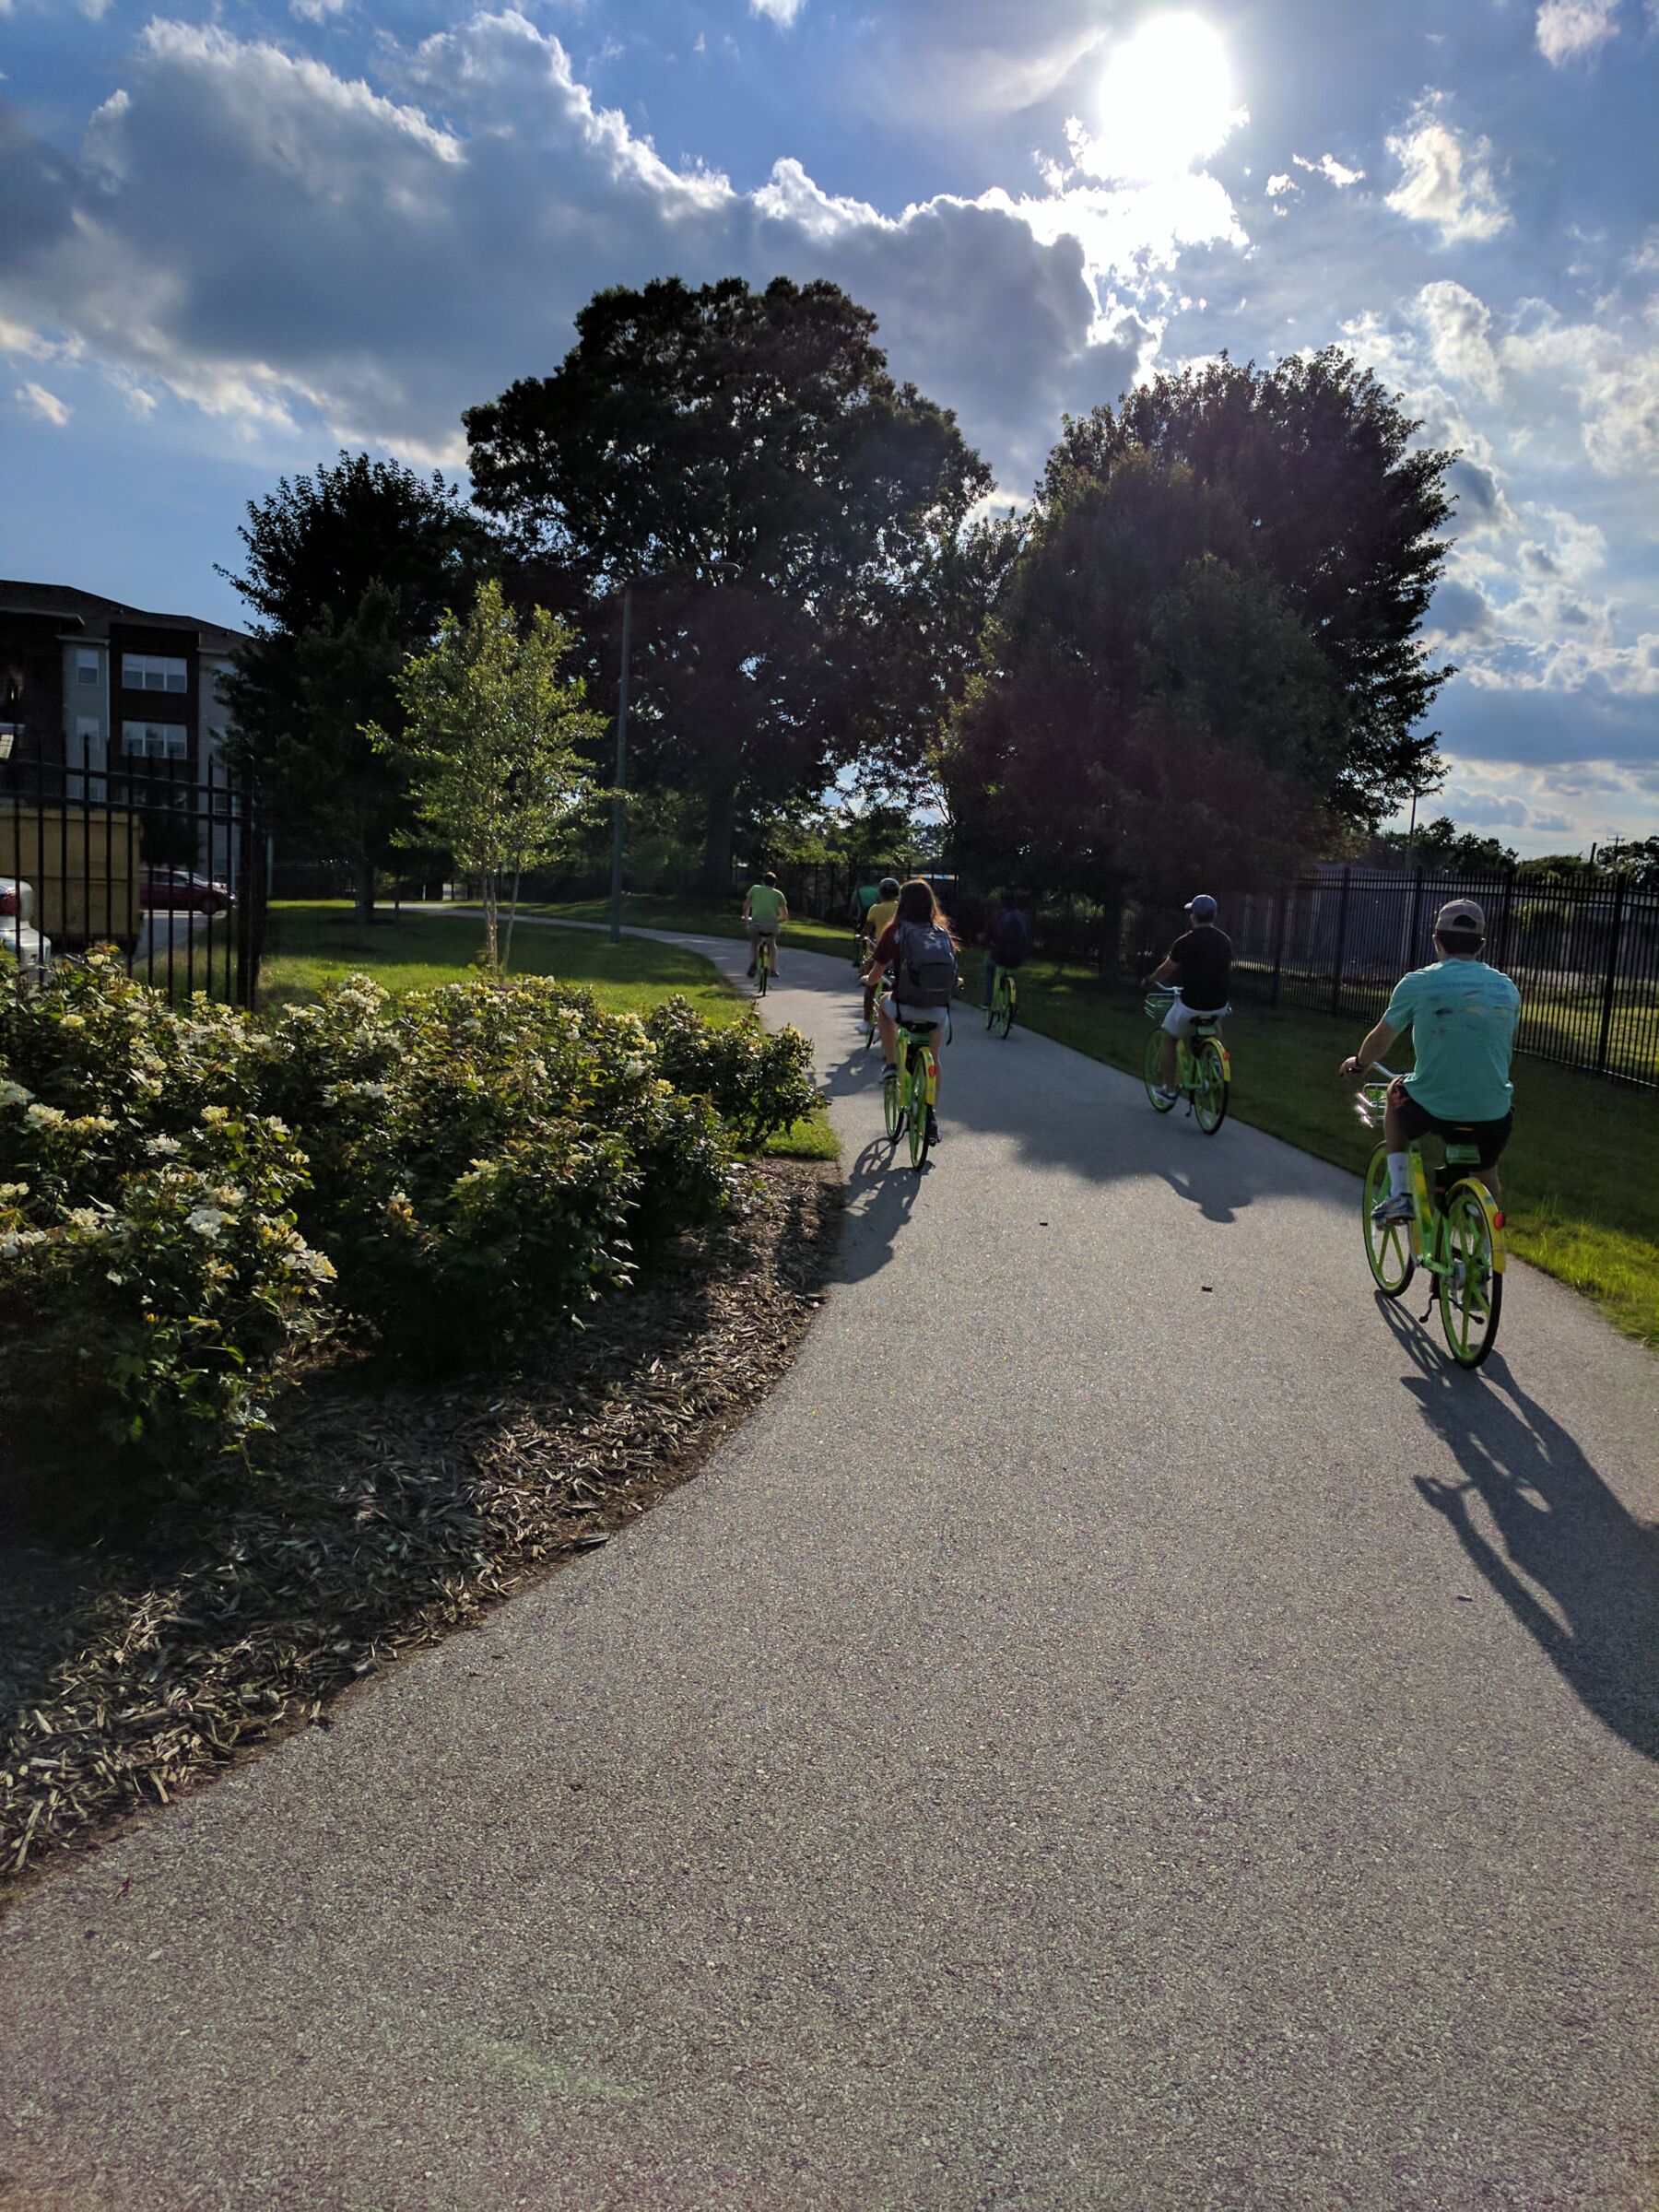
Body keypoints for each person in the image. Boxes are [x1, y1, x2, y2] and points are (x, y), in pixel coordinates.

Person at [1341, 898, 1520, 1216]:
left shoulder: (1419, 983)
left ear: (1436, 940)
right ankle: (1487, 1245)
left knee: (1396, 1094)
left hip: (1433, 1104)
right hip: (1493, 1111)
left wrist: (1361, 1063)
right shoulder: (1506, 988)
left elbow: (1382, 1037)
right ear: (1481, 944)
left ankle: (1401, 1194)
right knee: (1486, 1170)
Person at [862, 877, 959, 1147]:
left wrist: (868, 981)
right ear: (931, 904)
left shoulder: (896, 932)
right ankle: (932, 1116)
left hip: (904, 1008)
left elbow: (876, 974)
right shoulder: (940, 934)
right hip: (938, 1013)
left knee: (883, 1004)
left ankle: (892, 1065)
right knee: (935, 1056)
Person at [1147, 893, 1231, 1102]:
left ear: (1193, 916)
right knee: (1215, 1020)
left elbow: (1167, 968)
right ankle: (1215, 1061)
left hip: (1191, 1004)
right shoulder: (1225, 941)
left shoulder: (1185, 941)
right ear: (1214, 915)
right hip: (1219, 1002)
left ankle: (1169, 1089)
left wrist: (1150, 980)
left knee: (1169, 1038)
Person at [982, 888, 1032, 1007]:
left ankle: (987, 1001)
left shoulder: (996, 917)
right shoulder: (1024, 918)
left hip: (999, 956)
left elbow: (987, 938)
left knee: (989, 967)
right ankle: (1012, 1000)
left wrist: (983, 941)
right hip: (1018, 957)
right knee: (1012, 973)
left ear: (1001, 902)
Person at [862, 877, 901, 1023]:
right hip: (899, 953)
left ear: (881, 893)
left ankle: (866, 1021)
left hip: (881, 951)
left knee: (870, 983)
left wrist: (863, 938)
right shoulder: (901, 909)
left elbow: (867, 931)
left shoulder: (875, 909)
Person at [743, 870, 788, 978]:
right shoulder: (778, 894)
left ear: (763, 882)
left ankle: (754, 962)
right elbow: (784, 915)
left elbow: (746, 905)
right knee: (772, 944)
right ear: (775, 884)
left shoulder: (755, 889)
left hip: (756, 924)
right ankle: (773, 969)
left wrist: (746, 917)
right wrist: (776, 921)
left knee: (754, 942)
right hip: (772, 926)